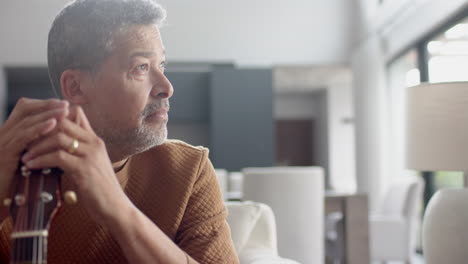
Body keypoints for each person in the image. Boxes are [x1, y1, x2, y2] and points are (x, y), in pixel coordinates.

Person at [0, 0, 239, 263]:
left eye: (162, 65)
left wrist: (117, 208)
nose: (166, 87)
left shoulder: (189, 170)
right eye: (141, 68)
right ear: (76, 87)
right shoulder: (10, 168)